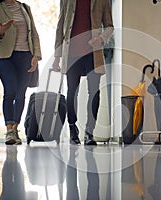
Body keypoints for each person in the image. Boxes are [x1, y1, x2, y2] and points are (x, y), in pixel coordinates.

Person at [53, 0, 114, 145]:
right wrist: (57, 57)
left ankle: (90, 132)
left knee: (94, 92)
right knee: (72, 91)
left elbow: (109, 26)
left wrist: (101, 38)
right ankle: (73, 129)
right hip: (72, 53)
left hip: (93, 52)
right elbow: (60, 25)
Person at [0, 0, 42, 145]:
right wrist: (0, 32)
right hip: (6, 58)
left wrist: (36, 55)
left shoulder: (25, 8)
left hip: (26, 56)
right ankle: (9, 131)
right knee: (10, 91)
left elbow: (34, 34)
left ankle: (15, 129)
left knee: (21, 94)